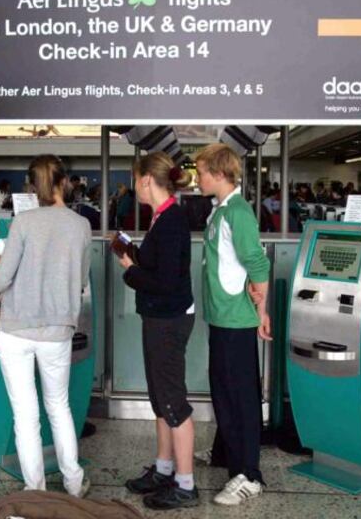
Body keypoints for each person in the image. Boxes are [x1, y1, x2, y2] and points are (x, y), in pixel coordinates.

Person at [0, 155, 91, 498]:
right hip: (57, 330)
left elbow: (0, 282)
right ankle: (74, 483)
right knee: (59, 407)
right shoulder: (81, 225)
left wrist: (0, 263)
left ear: (32, 188)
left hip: (15, 330)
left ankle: (35, 491)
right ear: (64, 183)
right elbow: (80, 280)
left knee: (25, 415)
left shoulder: (23, 222)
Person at [118, 152, 199, 510]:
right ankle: (165, 469)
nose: (134, 186)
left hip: (169, 319)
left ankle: (186, 484)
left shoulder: (171, 221)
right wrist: (135, 255)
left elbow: (165, 282)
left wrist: (129, 270)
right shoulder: (162, 217)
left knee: (172, 402)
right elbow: (162, 266)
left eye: (135, 179)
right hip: (160, 316)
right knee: (160, 399)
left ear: (147, 179)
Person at [194, 143, 271, 507]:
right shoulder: (220, 210)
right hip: (221, 316)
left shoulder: (238, 212)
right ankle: (226, 454)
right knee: (223, 389)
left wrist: (262, 310)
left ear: (219, 173)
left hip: (236, 319)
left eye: (201, 173)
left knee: (240, 397)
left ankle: (250, 476)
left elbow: (256, 261)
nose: (197, 179)